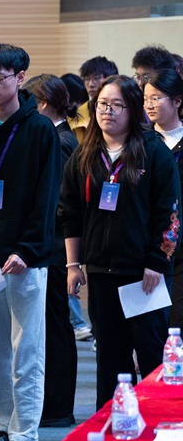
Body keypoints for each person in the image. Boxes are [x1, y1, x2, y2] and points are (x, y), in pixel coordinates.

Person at [0, 43, 61, 441]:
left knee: (28, 349)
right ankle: (4, 427)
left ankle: (25, 435)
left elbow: (47, 197)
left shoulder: (39, 129)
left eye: (0, 78)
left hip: (25, 256)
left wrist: (28, 249)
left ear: (21, 78)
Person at [61, 75, 180, 409]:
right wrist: (73, 265)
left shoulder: (153, 151)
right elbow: (69, 212)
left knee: (151, 353)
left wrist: (156, 262)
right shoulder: (85, 154)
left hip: (144, 273)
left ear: (132, 109)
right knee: (110, 356)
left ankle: (157, 420)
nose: (107, 112)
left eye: (117, 105)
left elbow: (169, 213)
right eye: (102, 104)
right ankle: (113, 422)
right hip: (101, 271)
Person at [24, 74, 80, 428]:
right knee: (53, 326)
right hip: (55, 246)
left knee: (55, 327)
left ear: (43, 104)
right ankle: (54, 406)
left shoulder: (59, 141)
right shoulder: (61, 138)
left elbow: (57, 203)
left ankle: (57, 407)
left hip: (57, 247)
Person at [144, 69, 183, 328]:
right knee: (149, 328)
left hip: (180, 250)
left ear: (177, 101)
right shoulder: (140, 142)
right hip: (146, 247)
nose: (149, 104)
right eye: (146, 98)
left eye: (156, 98)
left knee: (175, 322)